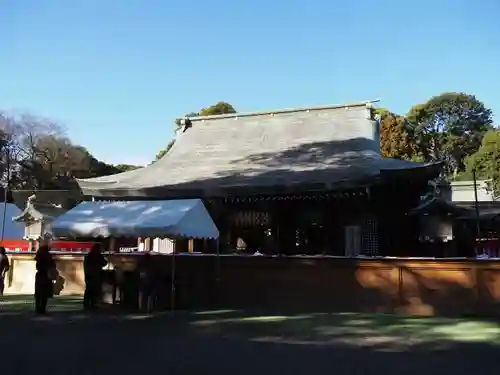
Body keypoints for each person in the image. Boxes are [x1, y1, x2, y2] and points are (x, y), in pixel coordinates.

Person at [83, 243, 108, 310]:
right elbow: (104, 263)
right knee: (95, 290)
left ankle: (87, 304)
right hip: (95, 275)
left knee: (88, 290)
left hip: (88, 275)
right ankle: (94, 304)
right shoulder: (98, 255)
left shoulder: (88, 255)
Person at [34, 245, 56, 314]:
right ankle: (43, 308)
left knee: (39, 293)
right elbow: (53, 266)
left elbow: (37, 267)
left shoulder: (39, 257)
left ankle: (38, 308)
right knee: (45, 294)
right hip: (46, 276)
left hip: (40, 275)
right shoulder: (49, 257)